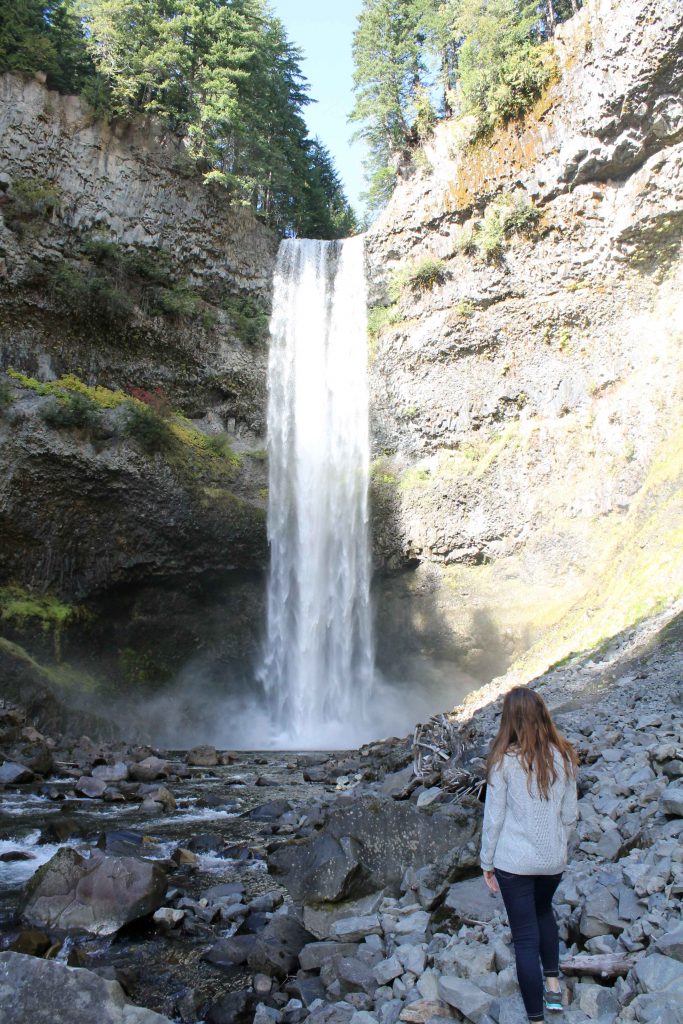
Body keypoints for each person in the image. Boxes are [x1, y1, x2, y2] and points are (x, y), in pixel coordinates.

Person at [480, 686, 578, 1022]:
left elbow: (493, 818)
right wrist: (556, 845)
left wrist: (486, 863)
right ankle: (553, 986)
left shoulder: (503, 761)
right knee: (543, 912)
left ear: (509, 721)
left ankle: (535, 1017)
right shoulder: (563, 756)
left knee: (524, 937)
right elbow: (569, 816)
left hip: (514, 863)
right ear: (542, 714)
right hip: (552, 861)